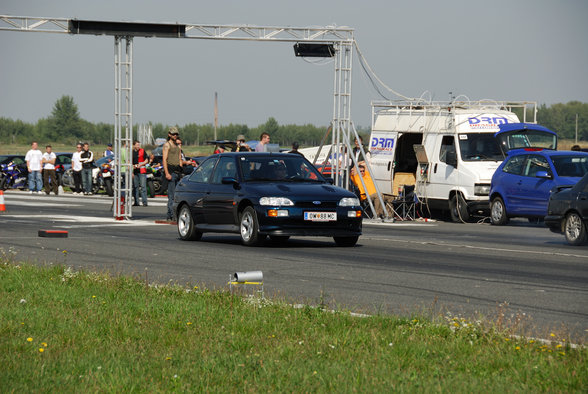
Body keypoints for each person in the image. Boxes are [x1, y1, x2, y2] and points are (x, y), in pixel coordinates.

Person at [162, 126, 183, 221]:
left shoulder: (177, 145)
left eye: (176, 134)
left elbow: (179, 159)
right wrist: (167, 173)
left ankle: (172, 214)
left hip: (177, 172)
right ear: (169, 134)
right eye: (173, 134)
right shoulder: (167, 145)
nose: (175, 135)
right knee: (171, 195)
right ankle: (171, 215)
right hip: (170, 172)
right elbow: (164, 160)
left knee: (176, 195)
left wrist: (182, 171)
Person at [132, 140, 149, 207]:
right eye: (137, 145)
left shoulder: (142, 151)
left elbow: (147, 160)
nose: (138, 146)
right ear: (134, 145)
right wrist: (133, 166)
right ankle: (136, 202)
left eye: (139, 145)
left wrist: (141, 164)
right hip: (135, 171)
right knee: (135, 187)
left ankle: (144, 202)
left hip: (142, 171)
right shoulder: (132, 152)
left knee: (143, 187)